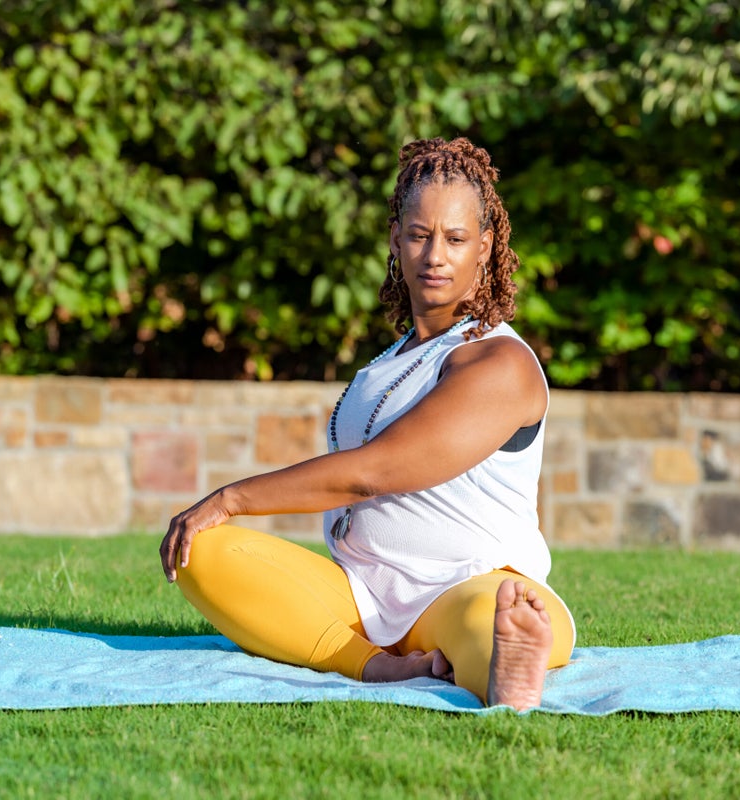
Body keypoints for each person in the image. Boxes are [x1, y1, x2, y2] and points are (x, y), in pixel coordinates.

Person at [158, 136, 574, 711]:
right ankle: (375, 665)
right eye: (419, 235)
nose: (435, 256)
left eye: (455, 239)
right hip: (361, 595)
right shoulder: (394, 357)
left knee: (488, 617)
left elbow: (376, 472)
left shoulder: (498, 361)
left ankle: (506, 661)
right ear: (395, 241)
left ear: (484, 247)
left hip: (467, 584)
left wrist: (232, 497)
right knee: (201, 552)